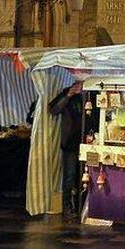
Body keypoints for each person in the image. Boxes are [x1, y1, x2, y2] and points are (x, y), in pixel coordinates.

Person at [49, 81, 99, 219]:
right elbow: (53, 110)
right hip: (70, 143)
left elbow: (99, 116)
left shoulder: (93, 93)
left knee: (88, 174)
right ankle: (68, 207)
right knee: (70, 176)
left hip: (90, 143)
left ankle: (84, 206)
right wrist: (68, 95)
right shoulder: (68, 92)